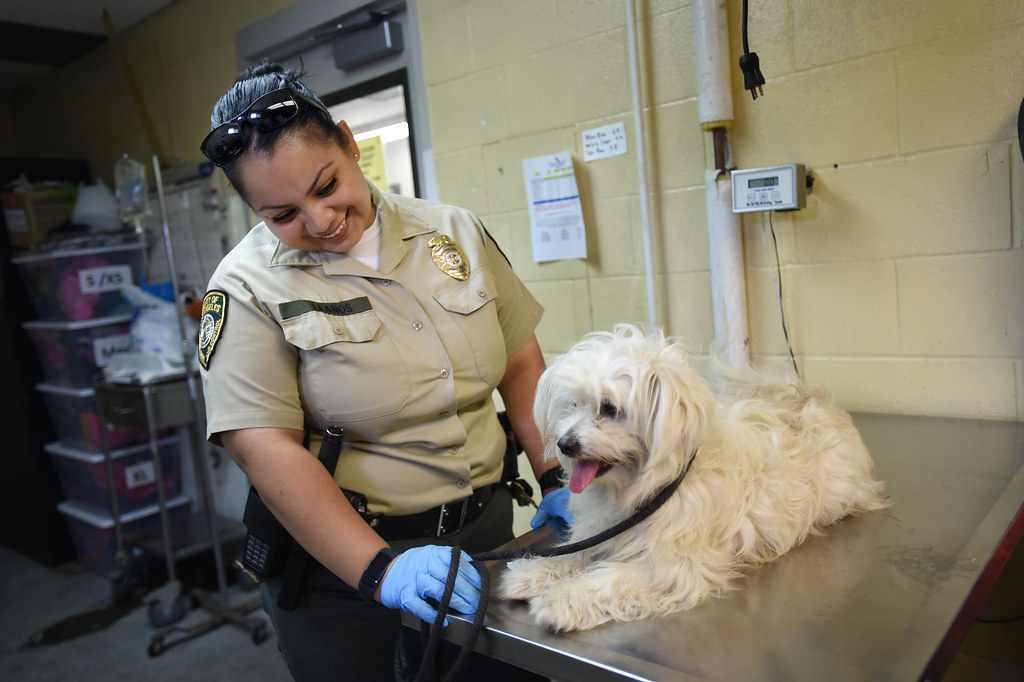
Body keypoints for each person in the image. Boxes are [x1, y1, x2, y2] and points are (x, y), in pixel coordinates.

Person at [197, 61, 571, 681]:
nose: (319, 222)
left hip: (491, 540)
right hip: (350, 577)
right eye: (282, 214)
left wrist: (557, 473)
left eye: (326, 186)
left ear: (347, 141)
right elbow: (264, 449)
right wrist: (379, 570)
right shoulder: (245, 288)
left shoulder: (452, 233)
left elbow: (519, 361)